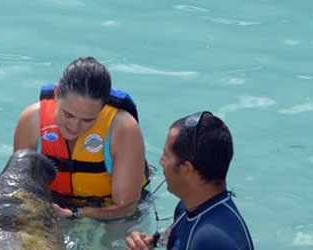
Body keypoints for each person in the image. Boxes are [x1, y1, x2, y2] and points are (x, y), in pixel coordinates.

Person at [13, 57, 148, 221]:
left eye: (87, 120)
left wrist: (76, 214)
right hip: (53, 203)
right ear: (56, 94)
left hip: (108, 210)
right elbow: (20, 189)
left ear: (103, 108)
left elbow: (127, 208)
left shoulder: (123, 129)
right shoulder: (31, 121)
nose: (74, 127)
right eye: (68, 114)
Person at [125, 111, 253, 250]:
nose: (161, 162)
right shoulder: (185, 209)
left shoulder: (213, 241)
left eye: (166, 156)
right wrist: (149, 243)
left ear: (186, 168)